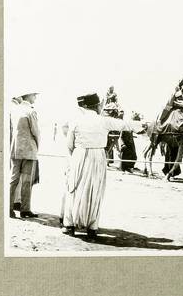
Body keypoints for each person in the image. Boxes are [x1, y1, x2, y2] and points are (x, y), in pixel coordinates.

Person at [61, 93, 143, 237]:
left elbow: (69, 145)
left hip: (79, 155)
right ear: (95, 106)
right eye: (99, 105)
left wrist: (72, 161)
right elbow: (124, 124)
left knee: (74, 188)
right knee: (95, 191)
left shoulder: (75, 121)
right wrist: (143, 126)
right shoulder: (103, 121)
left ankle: (69, 225)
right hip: (98, 156)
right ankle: (92, 227)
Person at [10, 91, 40, 219]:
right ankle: (25, 209)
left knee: (13, 179)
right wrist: (37, 146)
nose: (35, 98)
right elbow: (36, 132)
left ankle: (8, 208)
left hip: (15, 149)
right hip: (29, 150)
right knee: (27, 181)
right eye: (34, 95)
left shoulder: (15, 110)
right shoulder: (31, 111)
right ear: (28, 96)